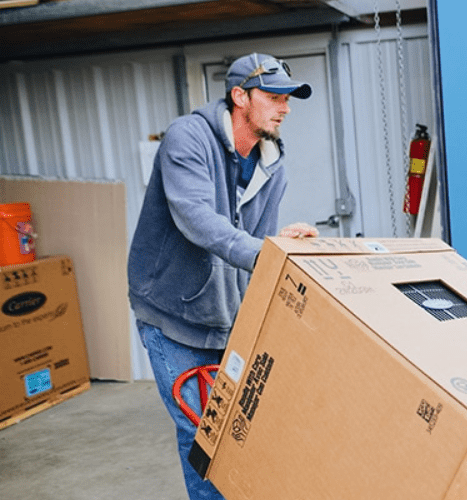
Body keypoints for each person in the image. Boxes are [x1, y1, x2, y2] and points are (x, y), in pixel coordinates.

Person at [128, 53, 317, 499]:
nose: (284, 108)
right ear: (239, 96)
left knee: (231, 429)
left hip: (224, 318)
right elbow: (195, 217)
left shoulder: (271, 164)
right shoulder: (187, 138)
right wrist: (261, 252)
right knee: (200, 431)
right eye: (273, 97)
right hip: (171, 312)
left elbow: (255, 239)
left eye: (287, 99)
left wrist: (280, 244)